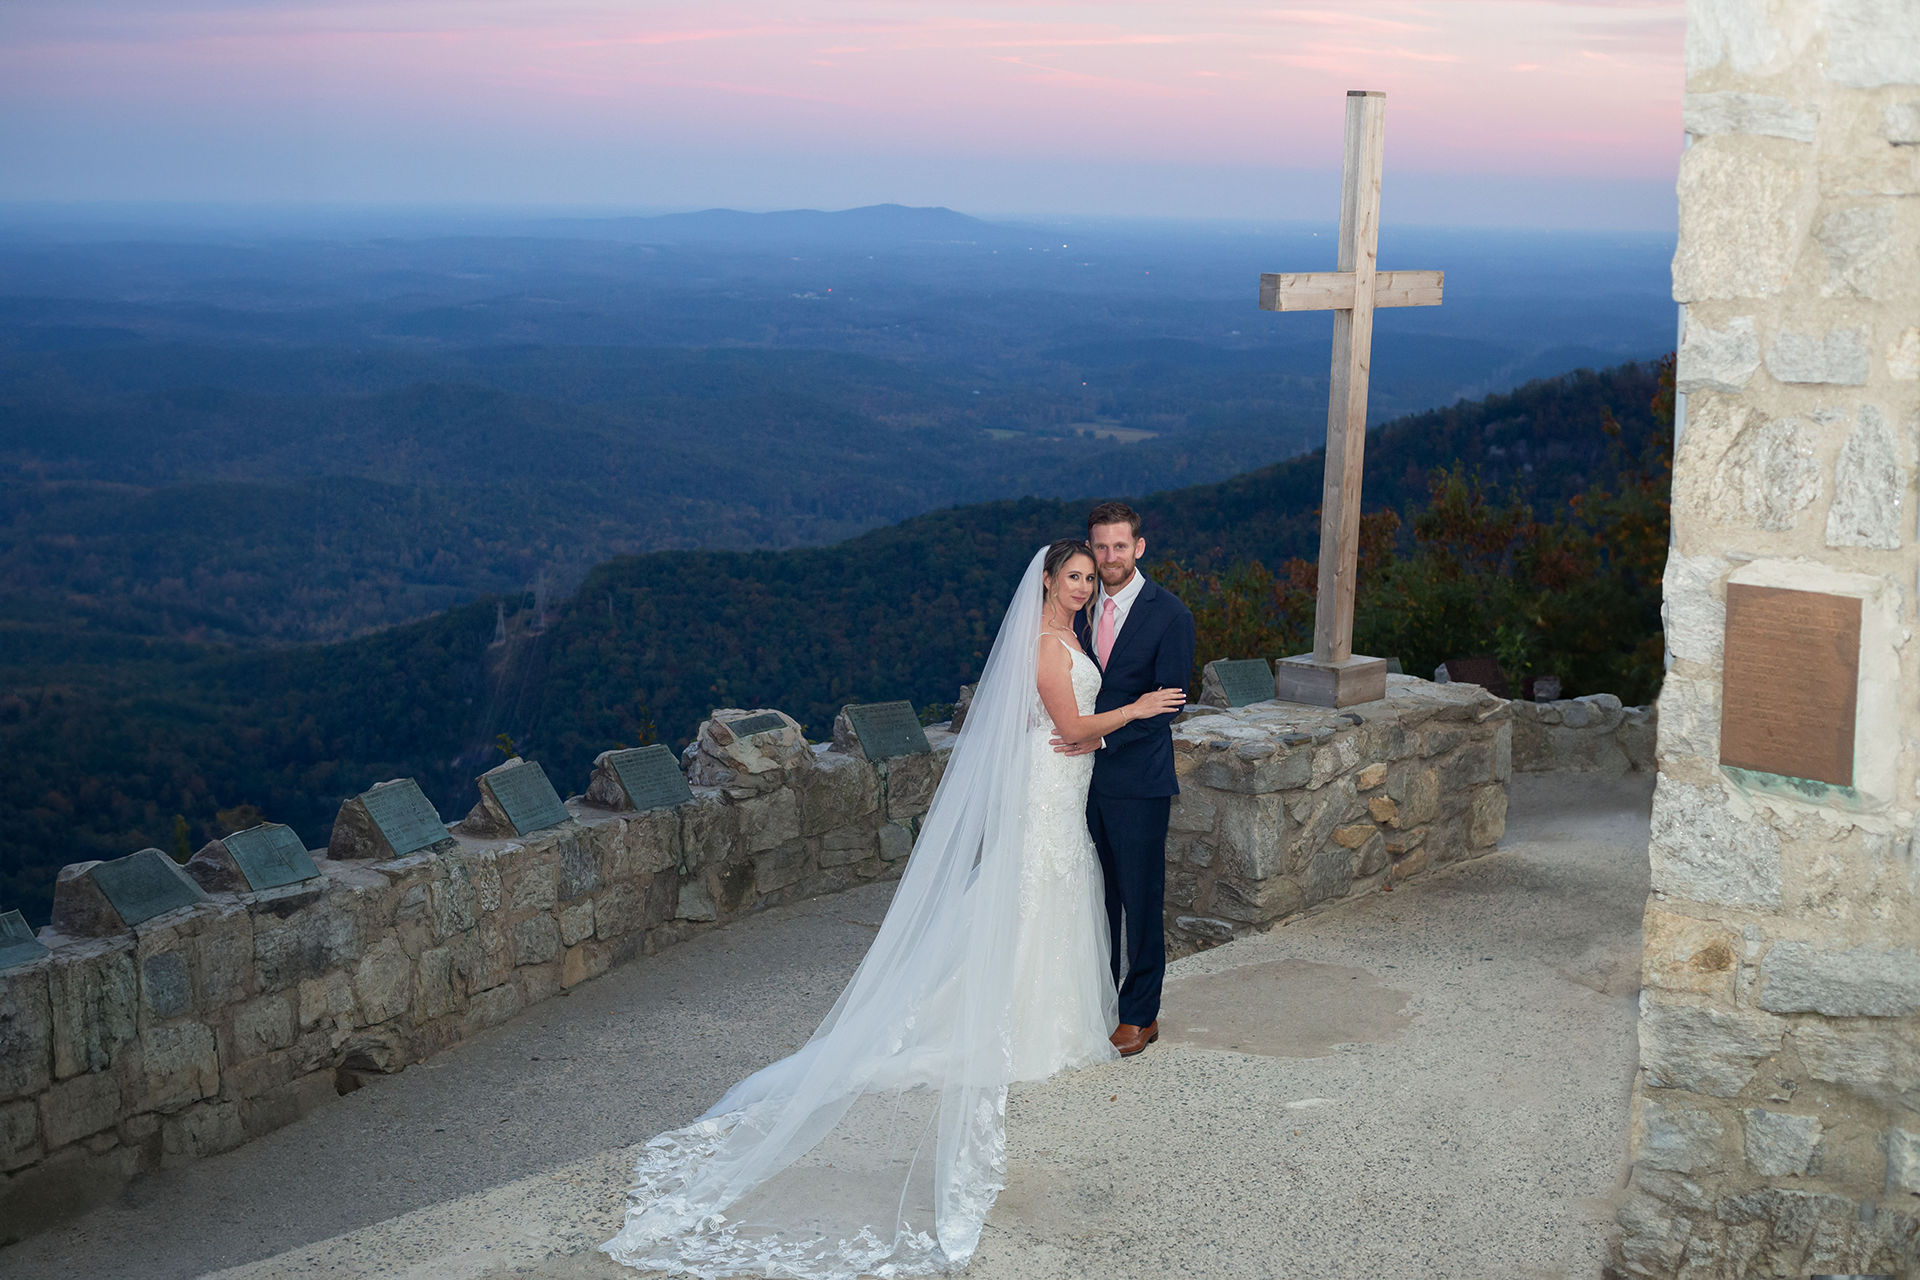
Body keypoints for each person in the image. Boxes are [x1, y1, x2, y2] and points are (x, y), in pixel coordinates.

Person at [601, 540, 1185, 1278]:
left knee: (1057, 895)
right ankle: (1007, 1020)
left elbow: (1068, 721)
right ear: (1045, 579)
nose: (1080, 585)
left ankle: (1056, 1012)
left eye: (1084, 576)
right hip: (1051, 783)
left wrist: (1094, 725)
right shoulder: (1043, 642)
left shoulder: (1074, 631)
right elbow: (1069, 728)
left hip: (1066, 789)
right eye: (1070, 575)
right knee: (1033, 893)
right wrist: (1132, 710)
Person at [1055, 501, 1196, 1057]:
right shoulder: (1077, 607)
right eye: (1100, 547)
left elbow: (1169, 705)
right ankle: (1096, 1002)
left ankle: (1140, 1014)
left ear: (1139, 547)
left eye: (1120, 546)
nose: (1109, 557)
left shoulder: (1171, 615)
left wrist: (1102, 737)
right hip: (1076, 780)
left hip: (1138, 782)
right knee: (1094, 897)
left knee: (1140, 900)